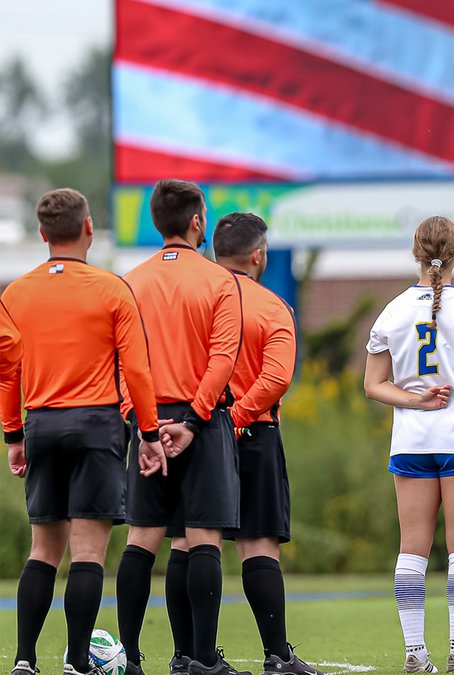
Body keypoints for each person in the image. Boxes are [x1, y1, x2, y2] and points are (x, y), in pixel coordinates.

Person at [1, 188, 164, 675]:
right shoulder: (113, 289)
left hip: (43, 424)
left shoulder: (15, 293)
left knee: (43, 549)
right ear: (88, 228)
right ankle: (76, 664)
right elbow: (137, 371)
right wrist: (150, 433)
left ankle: (25, 661)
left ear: (42, 233)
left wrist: (14, 436)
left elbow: (7, 373)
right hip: (96, 424)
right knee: (88, 552)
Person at [115, 179, 245, 675]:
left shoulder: (130, 281)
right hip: (202, 421)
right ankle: (203, 660)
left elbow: (123, 362)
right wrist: (191, 423)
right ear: (197, 222)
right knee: (203, 538)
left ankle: (130, 659)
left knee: (142, 540)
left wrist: (142, 424)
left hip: (148, 421)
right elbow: (222, 359)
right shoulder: (219, 281)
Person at [364, 216, 454, 674]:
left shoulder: (392, 311)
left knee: (412, 549)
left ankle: (415, 653)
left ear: (416, 253)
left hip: (411, 443)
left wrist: (414, 401)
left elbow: (373, 385)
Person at [209, 213, 322, 674]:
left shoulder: (199, 302)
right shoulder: (272, 306)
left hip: (200, 431)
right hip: (254, 431)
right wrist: (237, 417)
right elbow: (276, 377)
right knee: (258, 545)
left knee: (196, 544)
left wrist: (213, 420)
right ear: (258, 255)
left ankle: (192, 655)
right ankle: (277, 655)